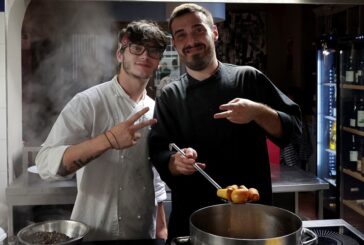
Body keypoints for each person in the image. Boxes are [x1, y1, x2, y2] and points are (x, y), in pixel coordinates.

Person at [149, 3, 302, 241]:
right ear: (175, 43)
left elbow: (293, 132)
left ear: (215, 32)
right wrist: (175, 163)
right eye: (181, 35)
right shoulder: (170, 96)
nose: (191, 40)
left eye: (198, 30)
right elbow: (159, 153)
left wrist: (257, 112)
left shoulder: (248, 78)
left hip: (251, 221)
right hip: (192, 222)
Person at [35, 20, 168, 241]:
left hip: (143, 230)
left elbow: (152, 172)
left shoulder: (154, 108)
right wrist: (108, 139)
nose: (145, 56)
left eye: (153, 50)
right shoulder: (88, 102)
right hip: (94, 231)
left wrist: (161, 224)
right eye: (136, 48)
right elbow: (45, 163)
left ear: (158, 61)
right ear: (120, 54)